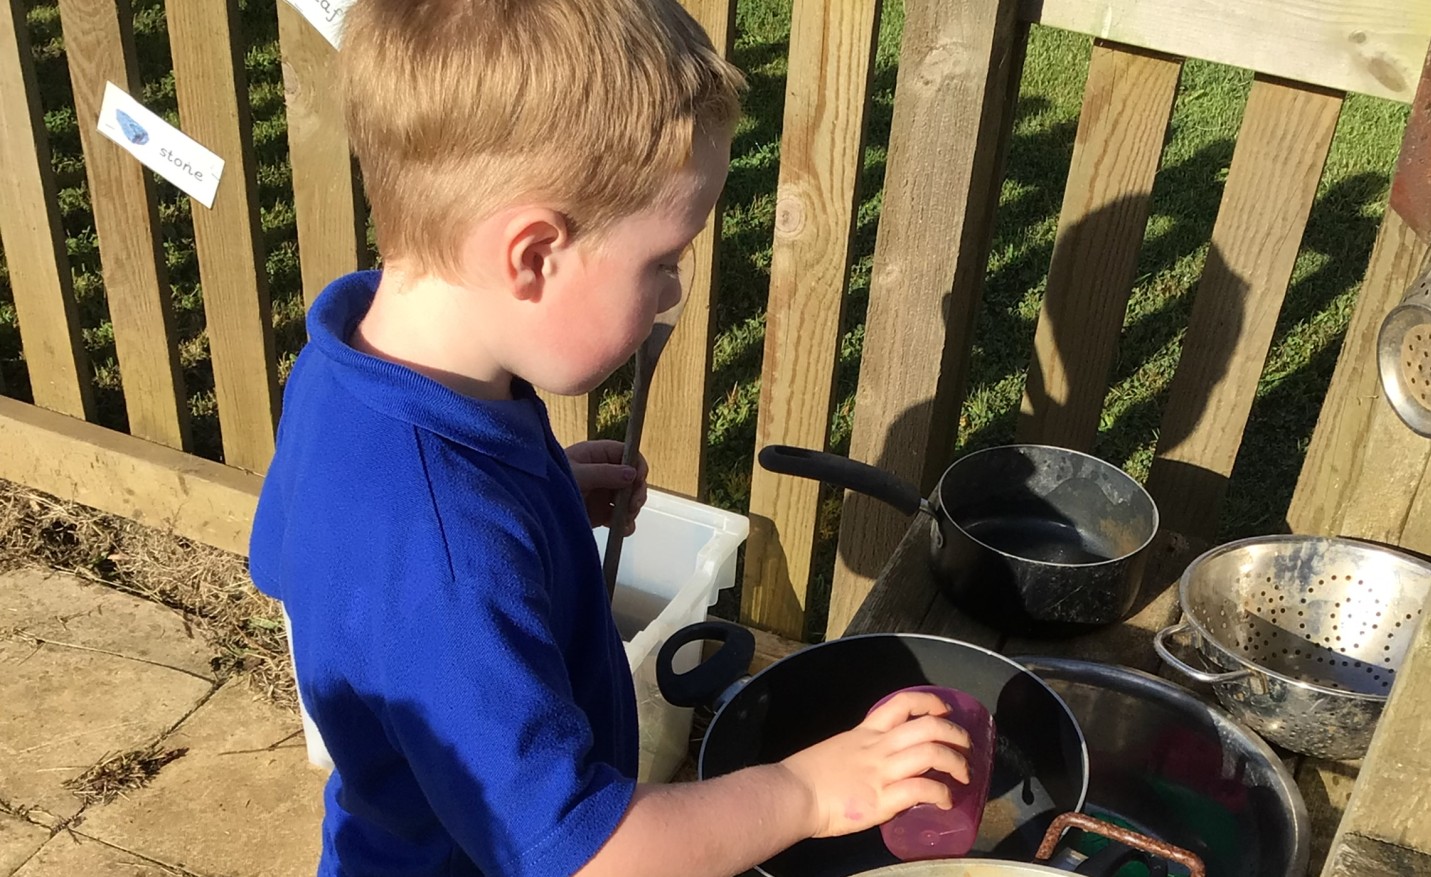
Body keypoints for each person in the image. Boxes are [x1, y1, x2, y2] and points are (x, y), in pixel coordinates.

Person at [248, 0, 972, 874]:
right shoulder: (445, 551)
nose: (672, 293)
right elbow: (585, 854)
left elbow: (301, 559)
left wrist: (543, 492)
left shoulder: (350, 359)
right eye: (663, 259)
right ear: (532, 255)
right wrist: (810, 792)